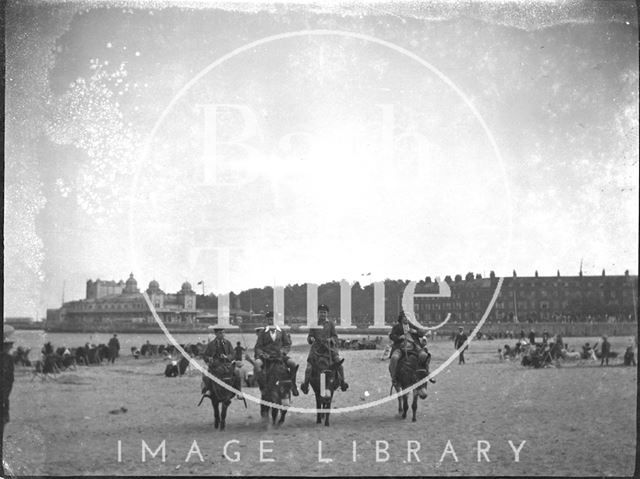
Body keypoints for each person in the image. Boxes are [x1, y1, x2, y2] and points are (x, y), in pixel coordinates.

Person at [300, 304, 348, 394]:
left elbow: (335, 337)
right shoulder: (314, 324)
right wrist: (311, 339)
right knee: (309, 367)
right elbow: (310, 336)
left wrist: (331, 339)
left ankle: (343, 383)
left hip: (329, 350)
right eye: (321, 312)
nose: (323, 314)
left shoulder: (331, 324)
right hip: (316, 350)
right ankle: (305, 385)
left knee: (339, 365)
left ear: (327, 314)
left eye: (324, 313)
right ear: (318, 313)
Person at [253, 311, 299, 396]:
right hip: (266, 357)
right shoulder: (262, 333)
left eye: (272, 319)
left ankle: (293, 384)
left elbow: (287, 344)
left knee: (293, 364)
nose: (271, 321)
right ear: (266, 320)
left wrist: (283, 352)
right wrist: (262, 354)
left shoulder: (282, 332)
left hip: (279, 356)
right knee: (257, 364)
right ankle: (262, 385)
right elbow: (258, 347)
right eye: (269, 319)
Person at [388, 311, 430, 389]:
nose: (406, 319)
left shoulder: (413, 326)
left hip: (414, 346)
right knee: (394, 358)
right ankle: (394, 378)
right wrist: (399, 337)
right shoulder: (396, 327)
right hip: (400, 347)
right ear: (401, 318)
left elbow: (422, 333)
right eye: (405, 317)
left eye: (408, 317)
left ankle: (426, 373)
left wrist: (416, 331)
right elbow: (391, 336)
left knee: (424, 355)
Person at [202, 327, 242, 397]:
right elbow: (205, 356)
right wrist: (209, 359)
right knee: (205, 373)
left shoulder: (228, 343)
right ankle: (208, 389)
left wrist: (226, 357)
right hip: (215, 365)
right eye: (220, 333)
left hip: (227, 365)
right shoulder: (211, 344)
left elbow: (233, 355)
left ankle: (238, 391)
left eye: (224, 332)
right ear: (216, 334)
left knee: (237, 371)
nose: (223, 334)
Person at [1, 326, 15, 449]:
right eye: (9, 344)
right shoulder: (8, 359)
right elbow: (9, 380)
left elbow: (10, 380)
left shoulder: (8, 358)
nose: (11, 346)